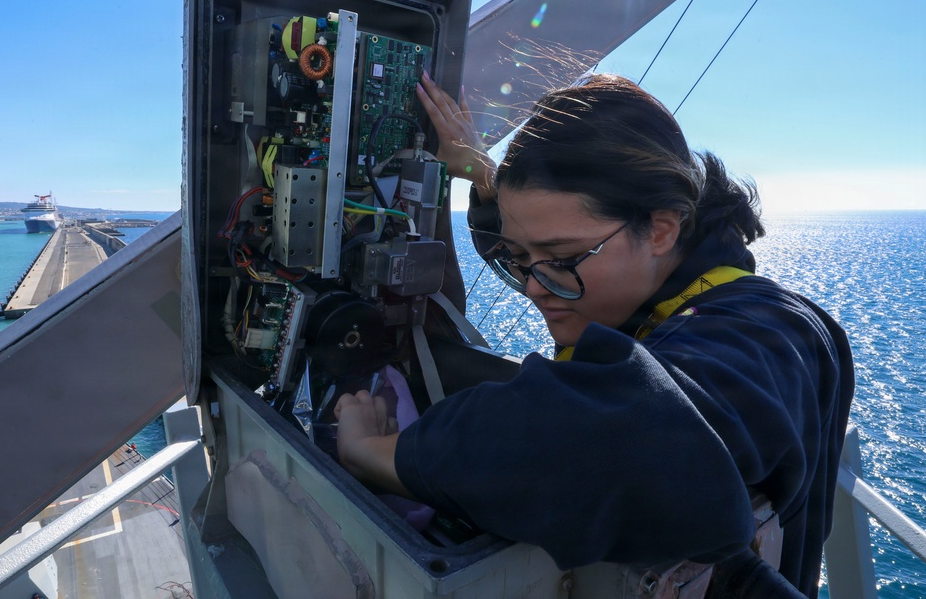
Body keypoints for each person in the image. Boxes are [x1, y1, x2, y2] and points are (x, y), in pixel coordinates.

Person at [334, 71, 854, 598]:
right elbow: (547, 247)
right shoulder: (637, 280)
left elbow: (617, 441)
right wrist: (484, 177)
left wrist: (371, 453)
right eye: (520, 258)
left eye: (560, 259)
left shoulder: (774, 332)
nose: (533, 287)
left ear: (661, 228)